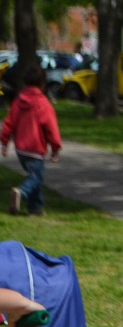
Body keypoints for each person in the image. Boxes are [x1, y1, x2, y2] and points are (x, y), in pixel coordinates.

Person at [2, 64, 62, 217]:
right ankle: (21, 193)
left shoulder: (18, 101)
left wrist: (4, 142)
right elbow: (51, 128)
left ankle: (35, 209)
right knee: (36, 177)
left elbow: (9, 123)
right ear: (42, 84)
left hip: (21, 148)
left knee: (35, 176)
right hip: (35, 148)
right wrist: (55, 148)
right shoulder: (43, 104)